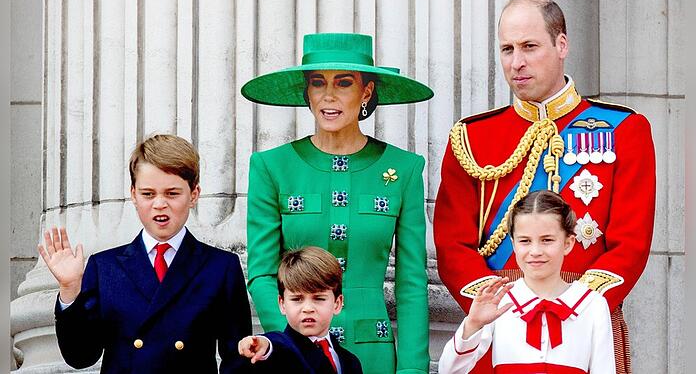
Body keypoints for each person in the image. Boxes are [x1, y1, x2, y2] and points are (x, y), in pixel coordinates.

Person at [433, 0, 655, 374]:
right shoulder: (472, 136)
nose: (516, 62)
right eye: (507, 49)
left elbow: (631, 241)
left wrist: (580, 303)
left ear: (561, 45)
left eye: (529, 47)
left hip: (586, 314)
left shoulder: (624, 129)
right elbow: (452, 243)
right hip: (499, 316)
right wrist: (499, 301)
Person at [241, 32, 434, 374]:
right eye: (318, 83)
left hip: (373, 354)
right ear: (307, 92)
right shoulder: (271, 167)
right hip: (296, 358)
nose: (328, 95)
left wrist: (412, 369)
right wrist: (290, 345)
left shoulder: (404, 169)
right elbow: (262, 273)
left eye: (343, 83)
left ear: (367, 91)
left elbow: (412, 283)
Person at [38, 134, 252, 373]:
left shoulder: (221, 267)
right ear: (133, 195)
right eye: (148, 194)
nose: (160, 204)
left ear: (194, 194)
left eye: (172, 193)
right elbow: (80, 356)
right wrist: (69, 291)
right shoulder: (104, 266)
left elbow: (237, 357)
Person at [438, 190, 615, 373]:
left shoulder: (593, 305)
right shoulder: (500, 301)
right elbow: (449, 370)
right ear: (513, 244)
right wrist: (473, 324)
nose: (535, 251)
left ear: (568, 243)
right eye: (525, 241)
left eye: (547, 240)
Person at [238, 246, 363, 373]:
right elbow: (279, 344)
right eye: (297, 299)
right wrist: (265, 345)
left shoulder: (351, 361)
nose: (308, 308)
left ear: (337, 303)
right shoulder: (280, 352)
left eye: (319, 298)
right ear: (282, 304)